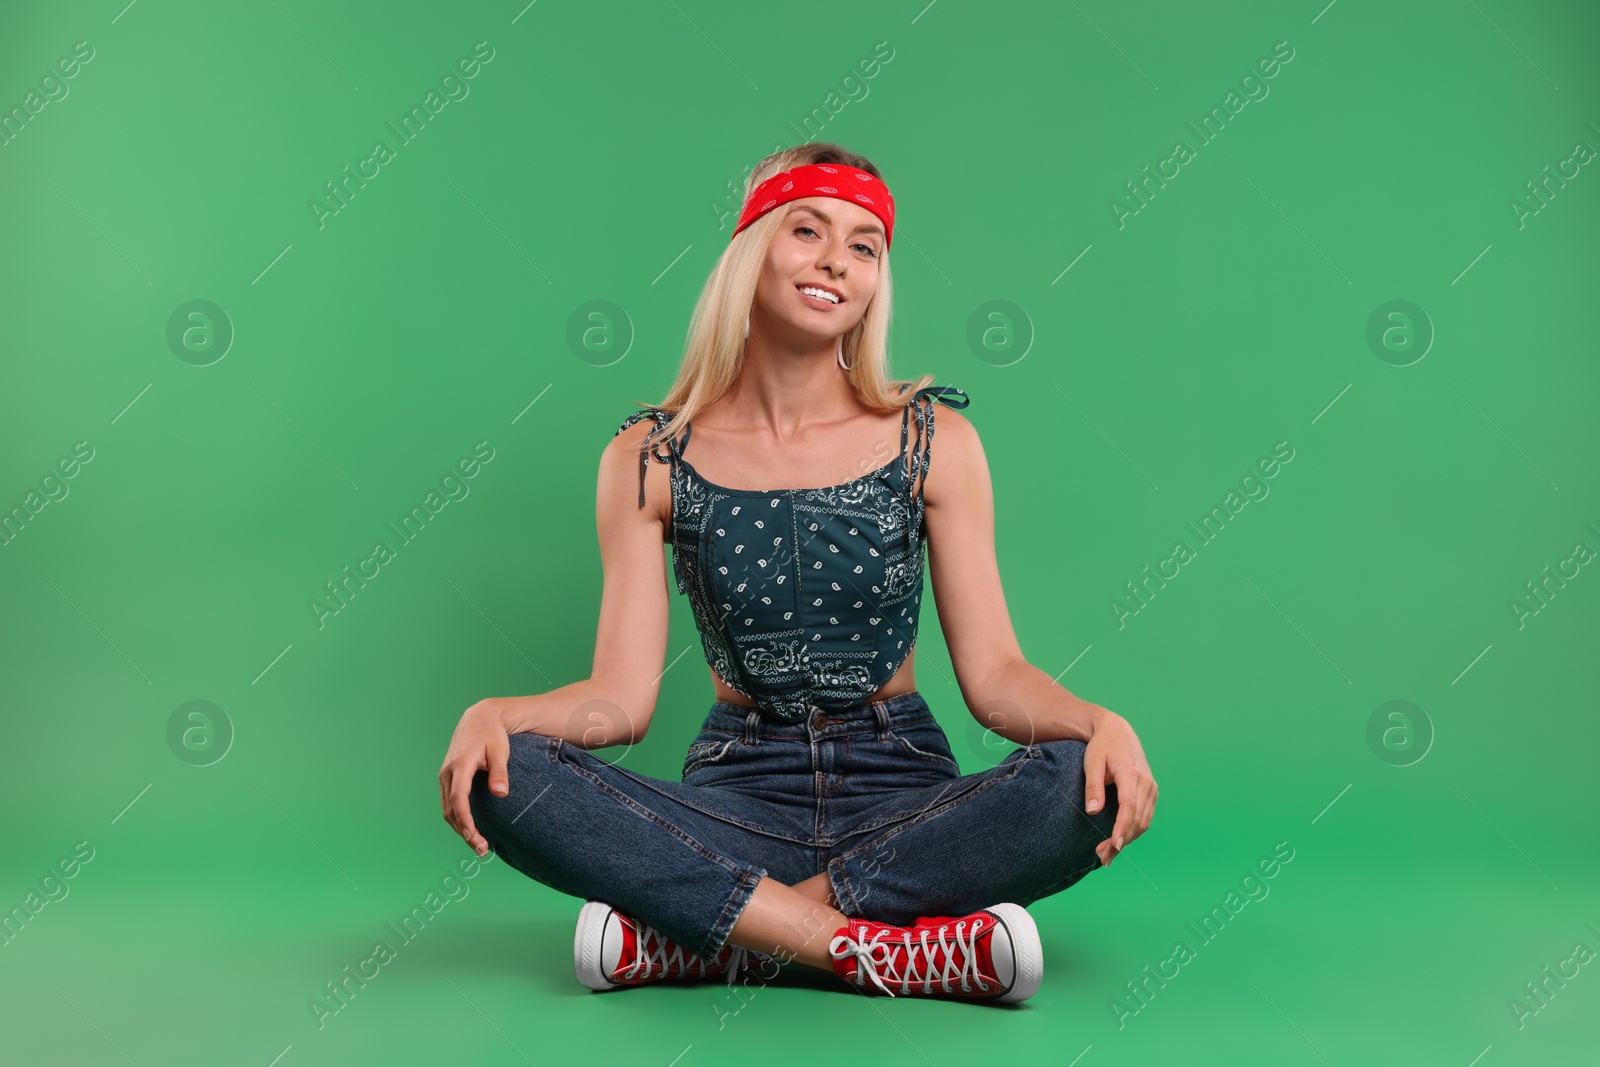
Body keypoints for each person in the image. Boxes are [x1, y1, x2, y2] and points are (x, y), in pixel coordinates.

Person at [438, 142, 1158, 1003]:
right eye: (808, 230)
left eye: (864, 246)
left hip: (904, 797)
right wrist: (496, 713)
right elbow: (621, 699)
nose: (834, 262)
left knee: (1081, 777)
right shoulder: (649, 457)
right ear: (752, 248)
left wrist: (1096, 720)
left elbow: (996, 676)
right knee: (502, 775)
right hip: (739, 799)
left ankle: (714, 940)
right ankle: (888, 948)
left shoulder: (935, 442)